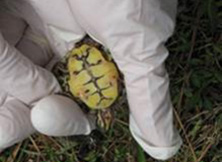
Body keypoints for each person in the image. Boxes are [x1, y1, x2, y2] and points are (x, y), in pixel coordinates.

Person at [0, 0, 182, 160]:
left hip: (76, 52)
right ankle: (85, 121)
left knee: (48, 112)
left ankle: (86, 121)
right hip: (62, 45)